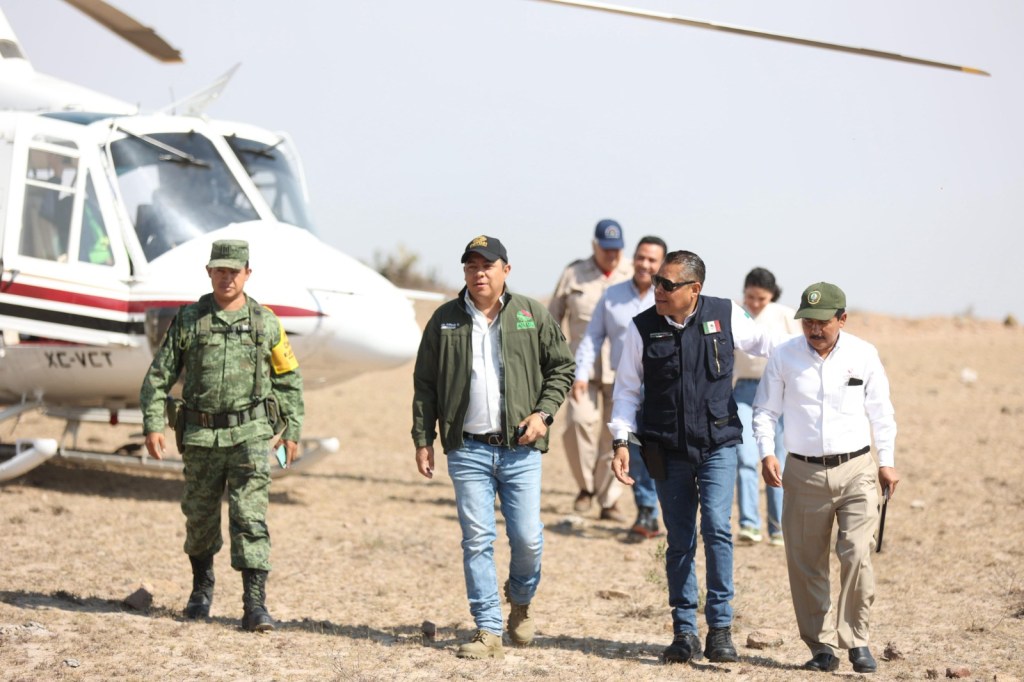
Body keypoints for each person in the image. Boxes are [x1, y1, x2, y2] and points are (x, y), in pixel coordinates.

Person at [609, 250, 780, 664]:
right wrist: (620, 442)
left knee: (718, 529)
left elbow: (772, 346)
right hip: (667, 448)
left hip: (717, 443)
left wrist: (817, 350)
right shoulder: (643, 328)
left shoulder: (725, 314)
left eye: (667, 284)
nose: (658, 290)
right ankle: (684, 630)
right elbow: (627, 391)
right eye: (656, 283)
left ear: (694, 289)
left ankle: (720, 629)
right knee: (680, 539)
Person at [412, 235, 574, 660]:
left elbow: (562, 367)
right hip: (467, 450)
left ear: (506, 269)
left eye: (487, 265)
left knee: (528, 540)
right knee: (477, 539)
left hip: (520, 450)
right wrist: (422, 439)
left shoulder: (530, 314)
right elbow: (425, 384)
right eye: (471, 266)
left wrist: (543, 414)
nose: (478, 273)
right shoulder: (445, 319)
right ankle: (488, 628)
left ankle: (519, 601)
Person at [140, 239, 304, 632]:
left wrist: (291, 430)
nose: (226, 277)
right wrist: (151, 423)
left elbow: (288, 379)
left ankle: (254, 604)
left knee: (250, 518)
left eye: (234, 270)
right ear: (209, 272)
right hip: (200, 437)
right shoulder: (189, 319)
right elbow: (159, 376)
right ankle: (201, 591)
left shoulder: (266, 322)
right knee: (199, 519)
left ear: (247, 273)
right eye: (220, 270)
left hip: (250, 436)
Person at [752, 282, 898, 674]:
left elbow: (881, 412)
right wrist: (767, 452)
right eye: (807, 323)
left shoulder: (863, 354)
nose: (814, 331)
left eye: (822, 323)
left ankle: (857, 640)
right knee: (806, 562)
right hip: (802, 472)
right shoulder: (784, 356)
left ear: (842, 319)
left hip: (857, 469)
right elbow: (764, 411)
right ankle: (821, 646)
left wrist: (887, 461)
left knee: (856, 553)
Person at [574, 236, 667, 541]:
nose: (645, 264)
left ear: (662, 264)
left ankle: (664, 511)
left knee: (659, 451)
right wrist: (582, 373)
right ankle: (646, 512)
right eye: (641, 258)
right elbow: (592, 337)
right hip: (624, 386)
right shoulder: (612, 296)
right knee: (634, 450)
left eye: (652, 260)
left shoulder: (668, 297)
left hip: (663, 388)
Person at [549, 219, 633, 521]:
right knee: (577, 424)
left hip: (623, 370)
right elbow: (552, 319)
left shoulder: (634, 274)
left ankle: (608, 499)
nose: (612, 255)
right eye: (606, 249)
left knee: (616, 436)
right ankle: (585, 487)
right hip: (579, 369)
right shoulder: (574, 274)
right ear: (594, 246)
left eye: (617, 249)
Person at [733, 267, 800, 546]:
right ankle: (749, 524)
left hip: (779, 391)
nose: (755, 303)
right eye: (750, 297)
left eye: (761, 298)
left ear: (771, 296)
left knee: (778, 459)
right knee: (746, 456)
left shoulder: (784, 314)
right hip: (743, 390)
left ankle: (778, 527)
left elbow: (799, 350)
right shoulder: (735, 312)